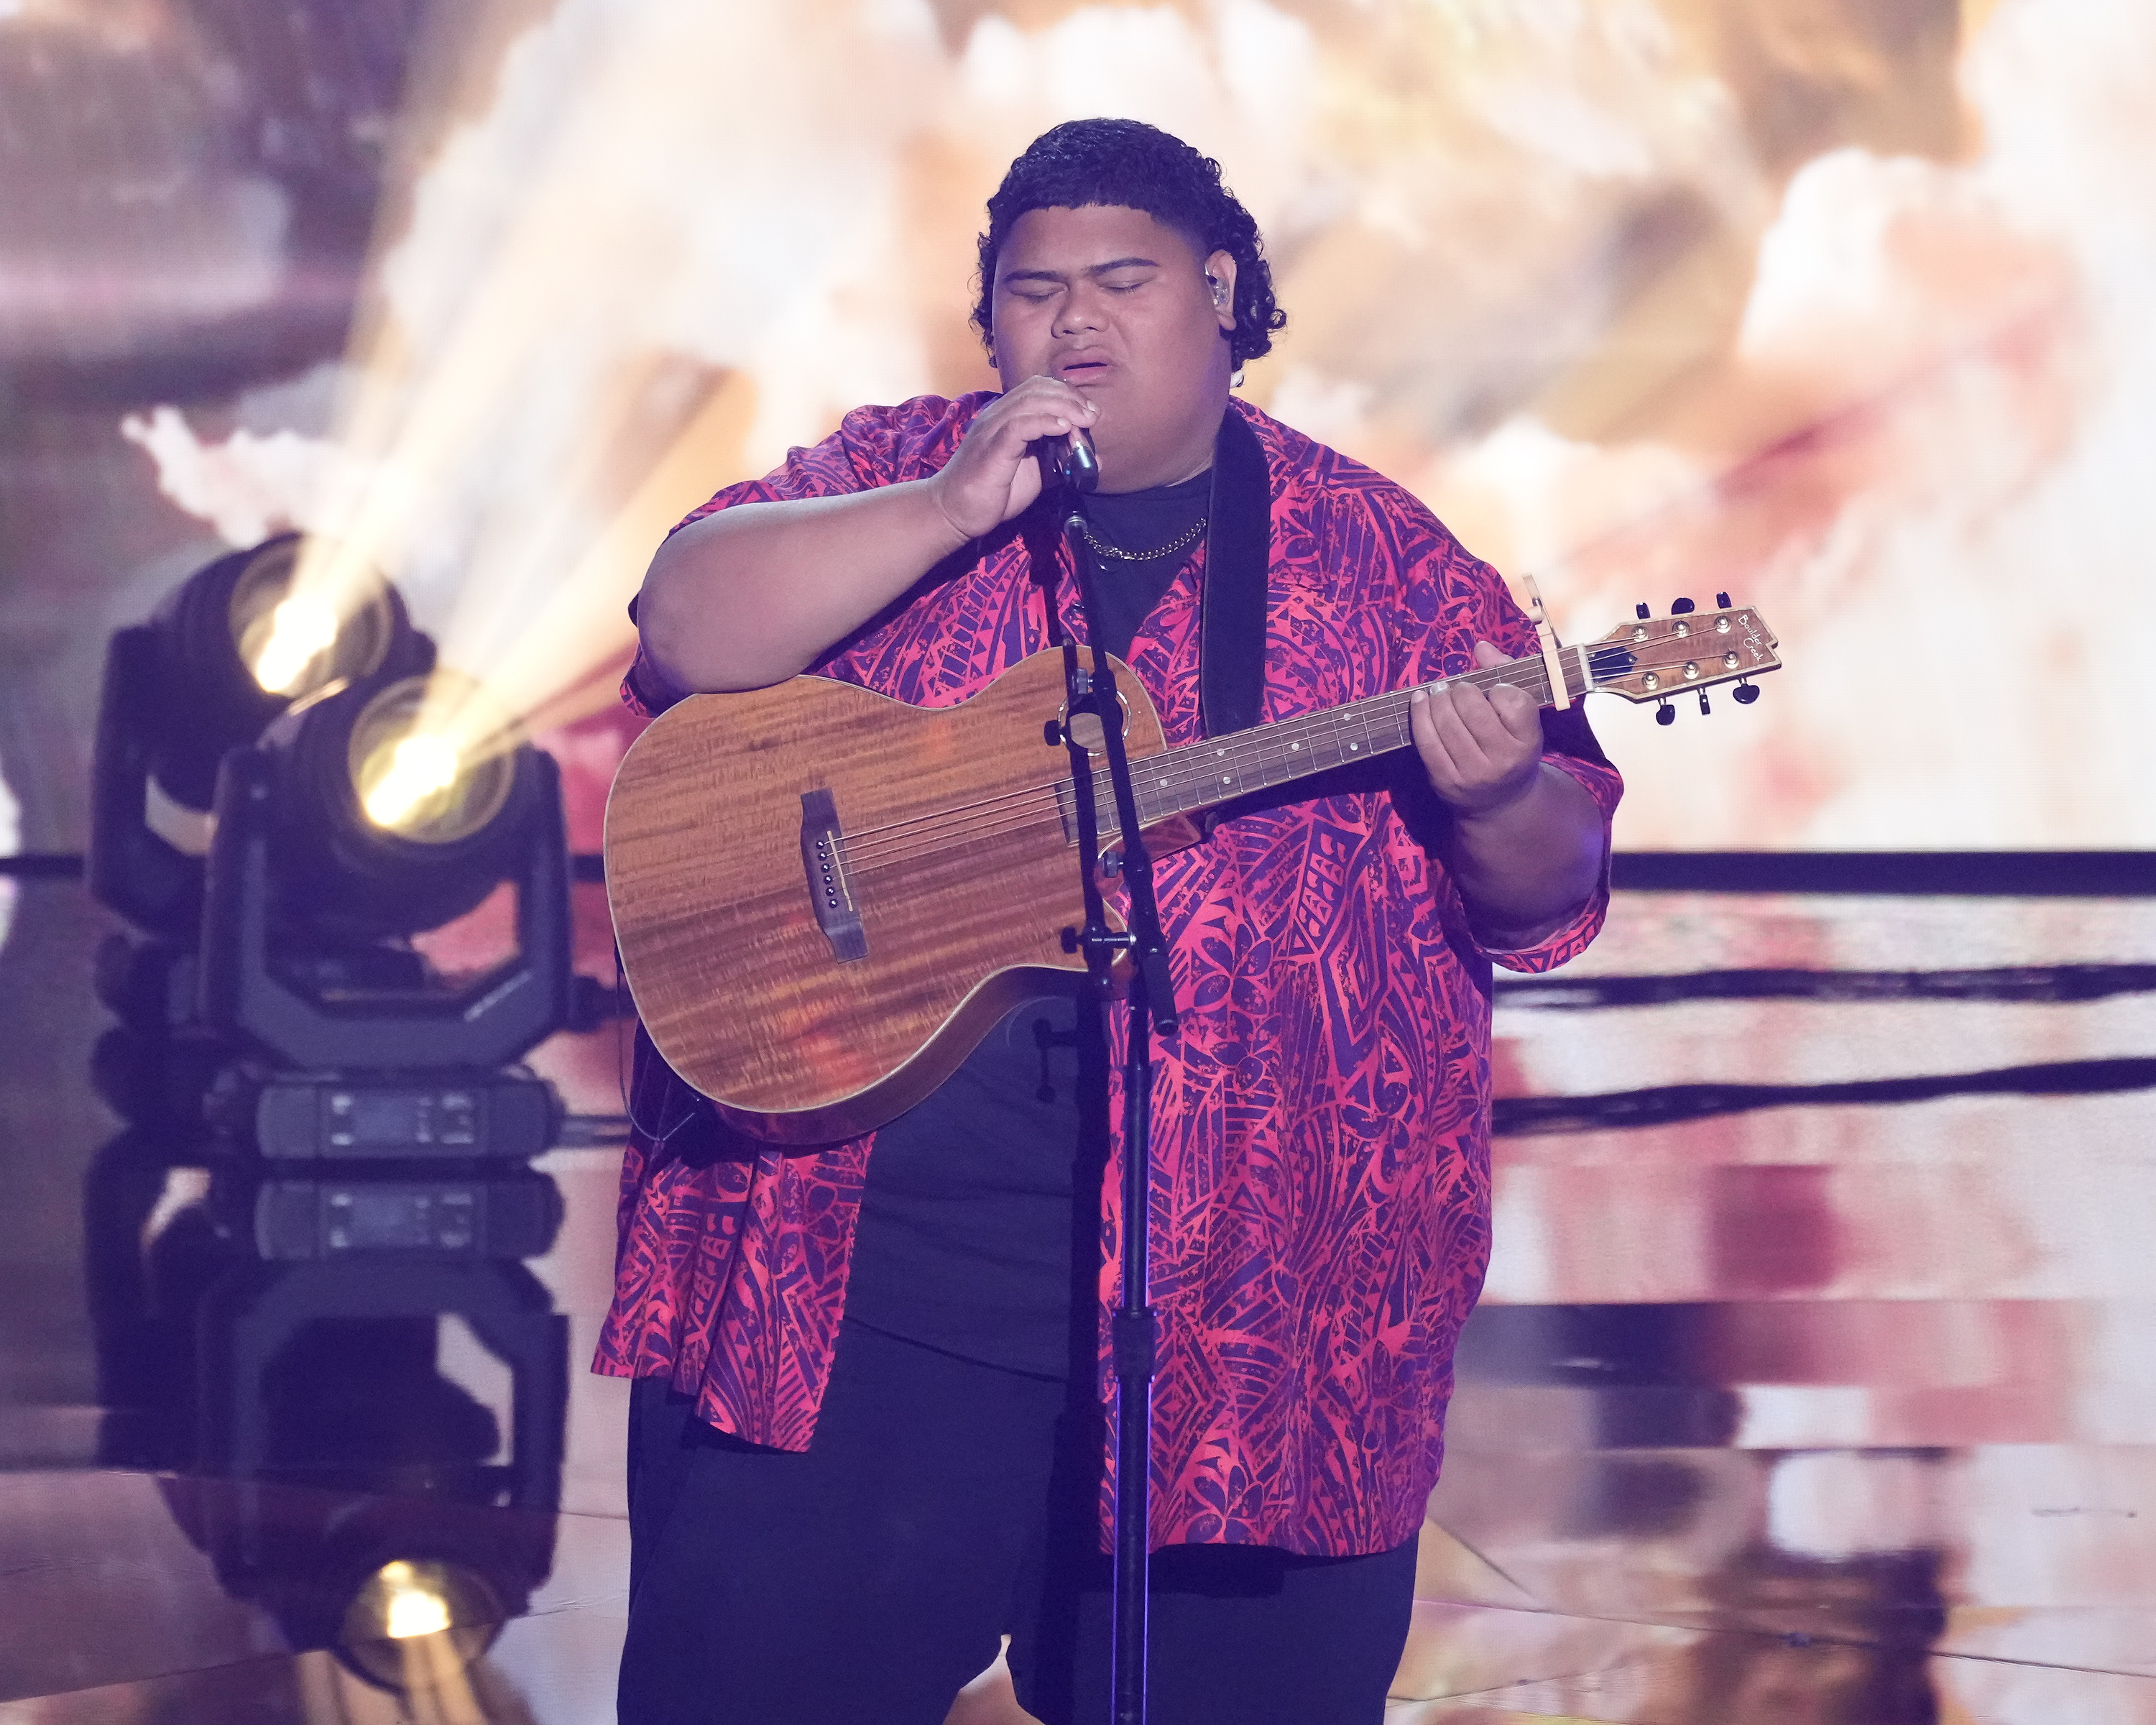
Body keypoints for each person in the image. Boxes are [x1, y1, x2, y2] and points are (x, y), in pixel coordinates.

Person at [601, 118, 1621, 1725]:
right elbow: (677, 623)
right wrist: (947, 507)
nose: (1073, 324)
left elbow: (1553, 891)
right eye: (1031, 292)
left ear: (1222, 294)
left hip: (1250, 1309)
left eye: (1123, 281)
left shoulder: (1386, 563)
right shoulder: (896, 470)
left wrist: (1499, 800)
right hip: (871, 1284)